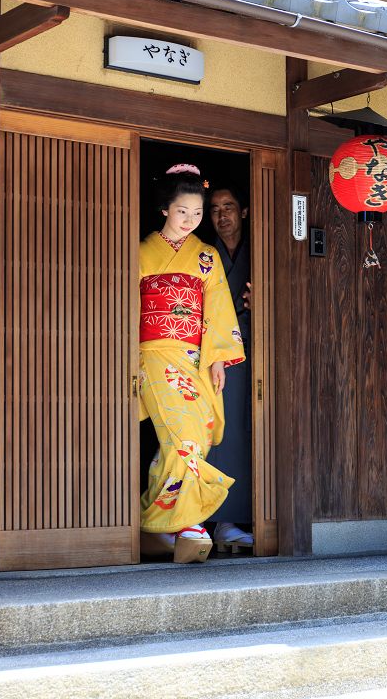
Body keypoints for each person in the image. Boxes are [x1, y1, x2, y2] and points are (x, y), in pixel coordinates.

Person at [139, 164, 245, 564]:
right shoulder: (142, 251)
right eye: (183, 211)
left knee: (191, 438)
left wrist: (218, 359)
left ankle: (157, 523)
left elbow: (217, 308)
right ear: (165, 208)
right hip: (153, 354)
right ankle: (189, 523)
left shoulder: (205, 256)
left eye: (197, 214)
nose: (191, 220)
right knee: (183, 436)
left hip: (196, 357)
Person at [206, 182, 253, 548]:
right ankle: (221, 521)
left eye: (229, 207)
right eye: (215, 209)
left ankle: (238, 518)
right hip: (217, 356)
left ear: (244, 212)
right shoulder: (204, 255)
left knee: (251, 434)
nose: (222, 215)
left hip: (259, 350)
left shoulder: (259, 251)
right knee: (223, 436)